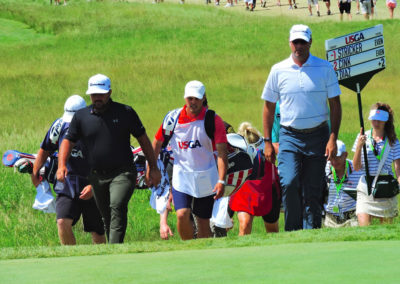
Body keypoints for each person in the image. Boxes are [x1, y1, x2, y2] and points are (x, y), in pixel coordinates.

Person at [57, 74, 161, 244]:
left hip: (123, 172)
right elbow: (68, 141)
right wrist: (61, 165)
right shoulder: (81, 117)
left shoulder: (125, 112)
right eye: (93, 94)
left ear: (109, 92)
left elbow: (143, 139)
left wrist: (153, 167)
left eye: (101, 94)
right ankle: (111, 251)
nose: (97, 98)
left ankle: (115, 250)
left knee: (117, 206)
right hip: (96, 175)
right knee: (106, 216)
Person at [261, 24, 342, 231]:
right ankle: (292, 233)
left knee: (313, 188)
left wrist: (333, 138)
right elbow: (268, 107)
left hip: (318, 135)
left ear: (310, 42)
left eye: (303, 42)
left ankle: (311, 233)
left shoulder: (324, 68)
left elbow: (335, 104)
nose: (299, 46)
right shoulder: (278, 70)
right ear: (290, 43)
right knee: (289, 181)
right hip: (289, 136)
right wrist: (268, 141)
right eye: (295, 42)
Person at [152, 80, 228, 240]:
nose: (193, 102)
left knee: (203, 222)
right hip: (182, 177)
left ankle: (203, 255)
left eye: (196, 98)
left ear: (203, 98)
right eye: (190, 98)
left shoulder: (213, 120)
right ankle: (188, 249)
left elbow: (222, 153)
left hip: (206, 177)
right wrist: (151, 168)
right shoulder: (172, 119)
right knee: (182, 214)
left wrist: (221, 180)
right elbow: (157, 143)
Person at [31, 95, 106, 245]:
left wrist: (94, 186)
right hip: (67, 181)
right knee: (62, 222)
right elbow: (45, 149)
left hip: (92, 181)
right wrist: (35, 172)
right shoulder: (59, 126)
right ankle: (71, 258)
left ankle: (101, 262)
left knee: (96, 230)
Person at [352, 103, 400, 226]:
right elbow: (356, 167)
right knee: (364, 229)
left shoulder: (393, 141)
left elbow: (398, 170)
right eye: (374, 119)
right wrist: (358, 147)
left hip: (386, 188)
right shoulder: (362, 137)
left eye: (379, 120)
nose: (376, 123)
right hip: (366, 188)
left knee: (387, 230)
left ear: (386, 121)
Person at [235, 122, 281, 235]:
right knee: (245, 223)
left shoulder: (267, 146)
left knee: (272, 230)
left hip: (267, 192)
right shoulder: (235, 150)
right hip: (244, 192)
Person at [324, 140, 362, 228]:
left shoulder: (357, 170)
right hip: (330, 217)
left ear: (345, 155)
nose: (334, 161)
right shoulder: (323, 168)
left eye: (337, 157)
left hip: (352, 216)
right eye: (331, 157)